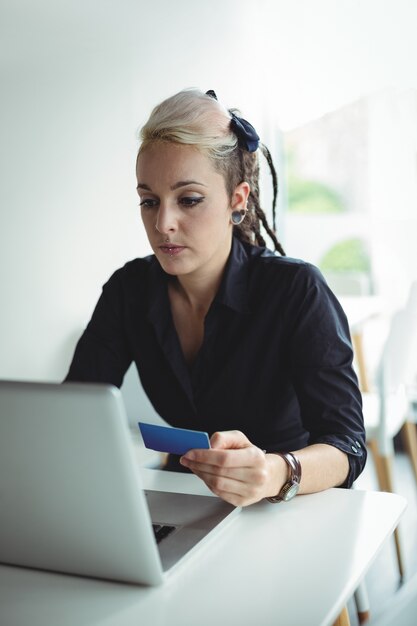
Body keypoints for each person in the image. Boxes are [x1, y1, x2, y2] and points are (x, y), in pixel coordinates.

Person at [65, 88, 366, 507]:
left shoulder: (296, 290)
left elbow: (347, 446)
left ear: (236, 200)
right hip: (184, 497)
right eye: (149, 201)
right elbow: (74, 416)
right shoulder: (128, 290)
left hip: (291, 502)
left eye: (188, 200)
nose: (163, 223)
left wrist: (274, 472)